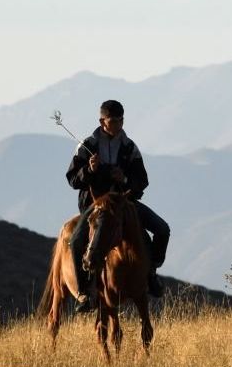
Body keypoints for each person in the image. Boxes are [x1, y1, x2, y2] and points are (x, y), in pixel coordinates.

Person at [66, 100, 170, 313]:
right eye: (113, 121)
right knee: (77, 241)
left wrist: (125, 180)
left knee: (162, 229)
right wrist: (89, 170)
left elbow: (142, 180)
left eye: (121, 120)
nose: (118, 124)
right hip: (96, 205)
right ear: (102, 121)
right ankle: (85, 292)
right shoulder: (87, 146)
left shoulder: (129, 147)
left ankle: (151, 272)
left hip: (125, 203)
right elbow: (72, 179)